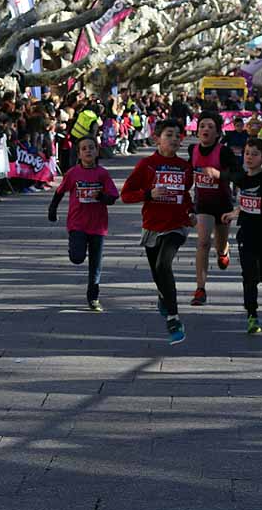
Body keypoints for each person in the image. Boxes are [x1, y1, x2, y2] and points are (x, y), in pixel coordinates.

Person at [120, 118, 194, 345]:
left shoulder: (185, 167)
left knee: (164, 265)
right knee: (157, 273)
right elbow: (126, 195)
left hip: (176, 226)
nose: (174, 139)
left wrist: (190, 212)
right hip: (152, 226)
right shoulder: (147, 165)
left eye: (177, 135)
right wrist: (149, 194)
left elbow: (186, 194)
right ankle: (163, 295)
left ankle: (173, 318)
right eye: (169, 134)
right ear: (157, 139)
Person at [221, 137, 262, 335]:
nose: (249, 157)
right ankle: (252, 314)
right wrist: (232, 214)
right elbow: (244, 204)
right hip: (246, 233)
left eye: (254, 154)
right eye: (247, 153)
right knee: (249, 276)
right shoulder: (241, 178)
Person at [47, 136, 119, 311]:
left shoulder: (102, 173)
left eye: (91, 147)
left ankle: (93, 298)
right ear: (78, 154)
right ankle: (75, 248)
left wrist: (101, 196)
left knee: (95, 264)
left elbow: (113, 197)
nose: (88, 150)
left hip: (98, 225)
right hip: (77, 223)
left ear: (97, 151)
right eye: (84, 148)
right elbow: (59, 191)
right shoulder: (73, 173)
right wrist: (52, 210)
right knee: (77, 258)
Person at [189, 112, 238, 306]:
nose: (205, 129)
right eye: (202, 126)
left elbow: (237, 175)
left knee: (220, 244)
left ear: (217, 132)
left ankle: (224, 253)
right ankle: (200, 289)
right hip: (202, 205)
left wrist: (218, 174)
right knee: (202, 243)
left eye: (210, 126)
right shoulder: (193, 150)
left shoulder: (224, 152)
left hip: (223, 205)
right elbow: (187, 173)